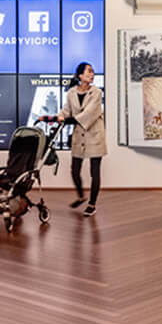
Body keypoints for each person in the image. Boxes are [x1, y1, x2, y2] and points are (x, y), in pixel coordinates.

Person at [45, 62, 106, 217]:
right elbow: (66, 111)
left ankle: (92, 204)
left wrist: (68, 120)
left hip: (94, 135)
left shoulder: (96, 92)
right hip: (79, 135)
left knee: (94, 172)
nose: (92, 74)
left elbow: (89, 114)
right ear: (80, 75)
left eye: (93, 72)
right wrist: (56, 117)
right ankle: (81, 196)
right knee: (75, 170)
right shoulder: (72, 92)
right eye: (89, 72)